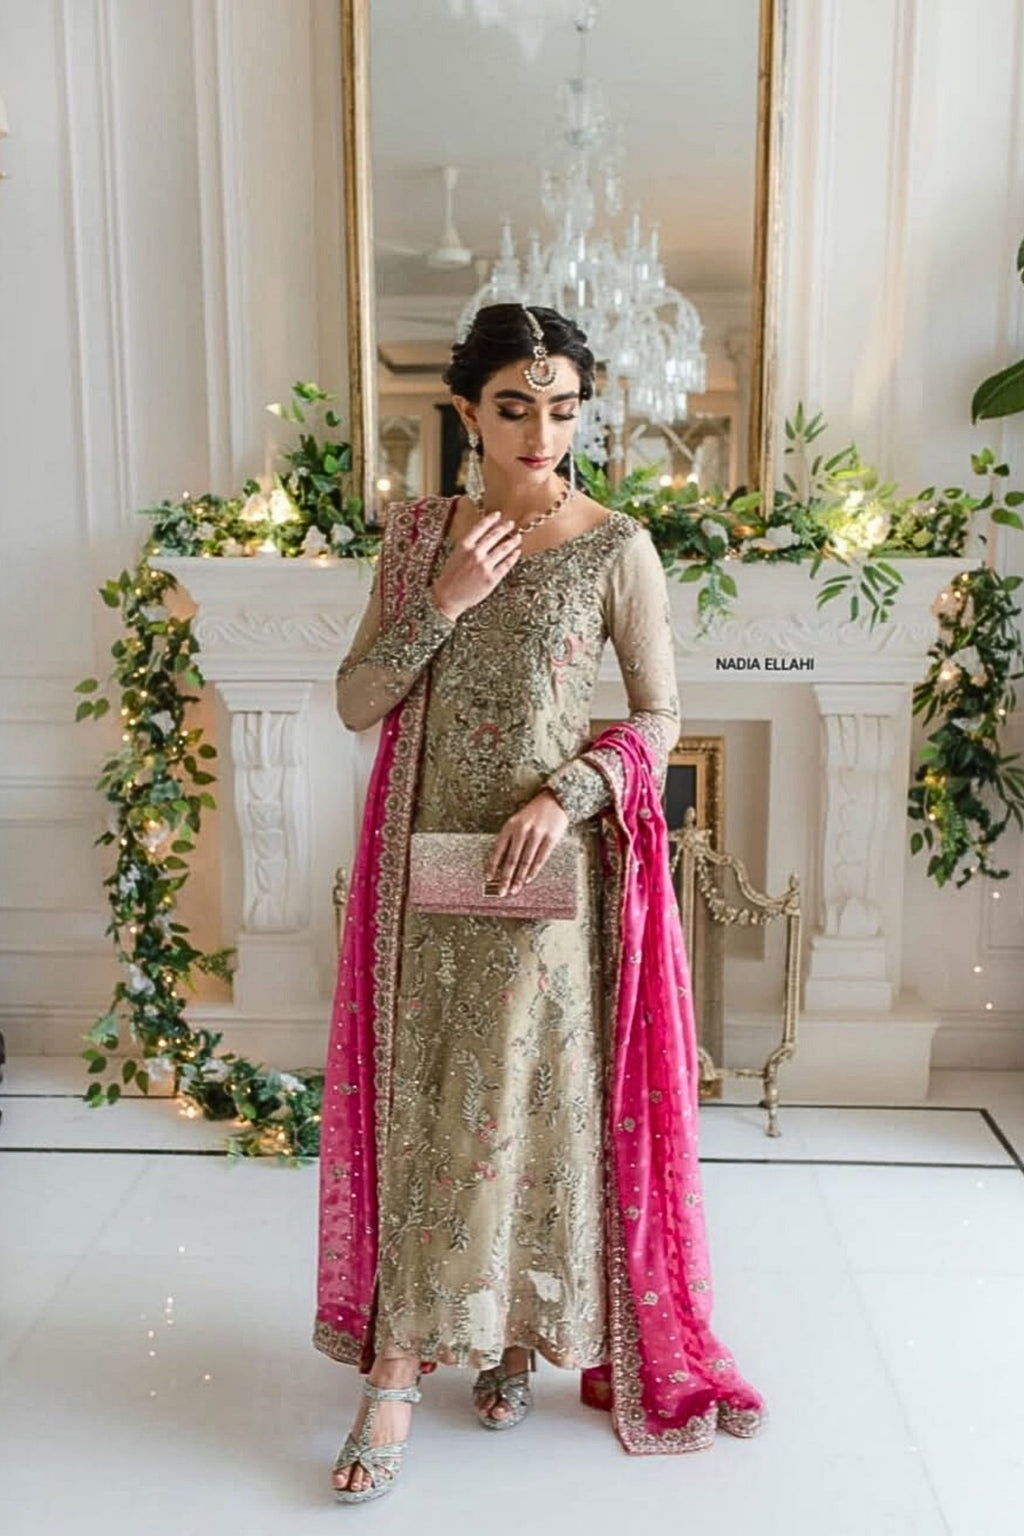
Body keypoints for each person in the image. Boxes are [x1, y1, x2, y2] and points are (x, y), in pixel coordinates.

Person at [314, 302, 768, 1503]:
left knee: (515, 1106)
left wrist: (566, 797)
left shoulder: (616, 545)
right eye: (514, 407)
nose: (540, 432)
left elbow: (659, 717)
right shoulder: (419, 540)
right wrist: (444, 598)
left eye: (562, 409)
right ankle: (396, 1372)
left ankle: (510, 1333)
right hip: (424, 867)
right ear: (467, 411)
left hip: (540, 867)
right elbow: (357, 702)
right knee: (428, 1111)